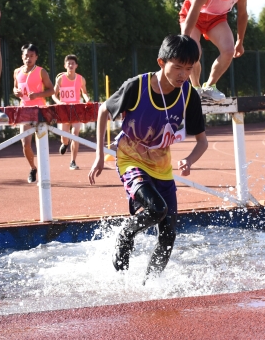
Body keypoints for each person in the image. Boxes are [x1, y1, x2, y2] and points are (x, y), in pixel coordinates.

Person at [89, 35, 208, 280]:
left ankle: (150, 284)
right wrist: (100, 154)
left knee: (168, 234)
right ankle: (126, 234)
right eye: (177, 67)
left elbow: (202, 142)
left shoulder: (189, 95)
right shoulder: (137, 86)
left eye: (189, 69)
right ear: (161, 62)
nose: (183, 75)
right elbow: (103, 111)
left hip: (162, 167)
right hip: (130, 159)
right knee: (157, 209)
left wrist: (190, 159)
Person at [179, 0, 249, 102]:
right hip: (193, 17)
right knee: (193, 52)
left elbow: (242, 15)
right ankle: (196, 88)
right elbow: (193, 13)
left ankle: (210, 87)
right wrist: (184, 39)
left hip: (217, 18)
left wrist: (240, 42)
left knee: (229, 50)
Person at [13, 44, 55, 184]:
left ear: (36, 57)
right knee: (25, 144)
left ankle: (44, 176)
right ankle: (33, 168)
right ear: (22, 57)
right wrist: (15, 92)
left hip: (40, 111)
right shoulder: (17, 72)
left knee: (41, 143)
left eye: (31, 56)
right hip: (24, 111)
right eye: (26, 56)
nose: (28, 58)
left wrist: (37, 94)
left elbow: (51, 90)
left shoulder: (41, 72)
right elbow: (15, 87)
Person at [52, 54, 90, 170]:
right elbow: (54, 95)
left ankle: (73, 161)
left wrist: (87, 99)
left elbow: (84, 92)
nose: (70, 65)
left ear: (76, 66)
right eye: (68, 63)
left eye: (73, 63)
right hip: (64, 110)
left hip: (76, 110)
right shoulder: (60, 79)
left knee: (75, 134)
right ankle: (65, 143)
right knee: (65, 136)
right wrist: (59, 102)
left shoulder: (81, 79)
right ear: (65, 66)